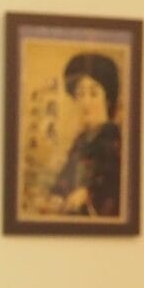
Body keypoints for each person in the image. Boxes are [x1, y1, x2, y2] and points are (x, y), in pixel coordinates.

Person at [49, 51, 122, 217]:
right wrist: (58, 194)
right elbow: (66, 175)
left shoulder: (114, 138)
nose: (85, 102)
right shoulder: (82, 140)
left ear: (107, 99)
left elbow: (112, 182)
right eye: (80, 94)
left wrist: (88, 193)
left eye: (93, 93)